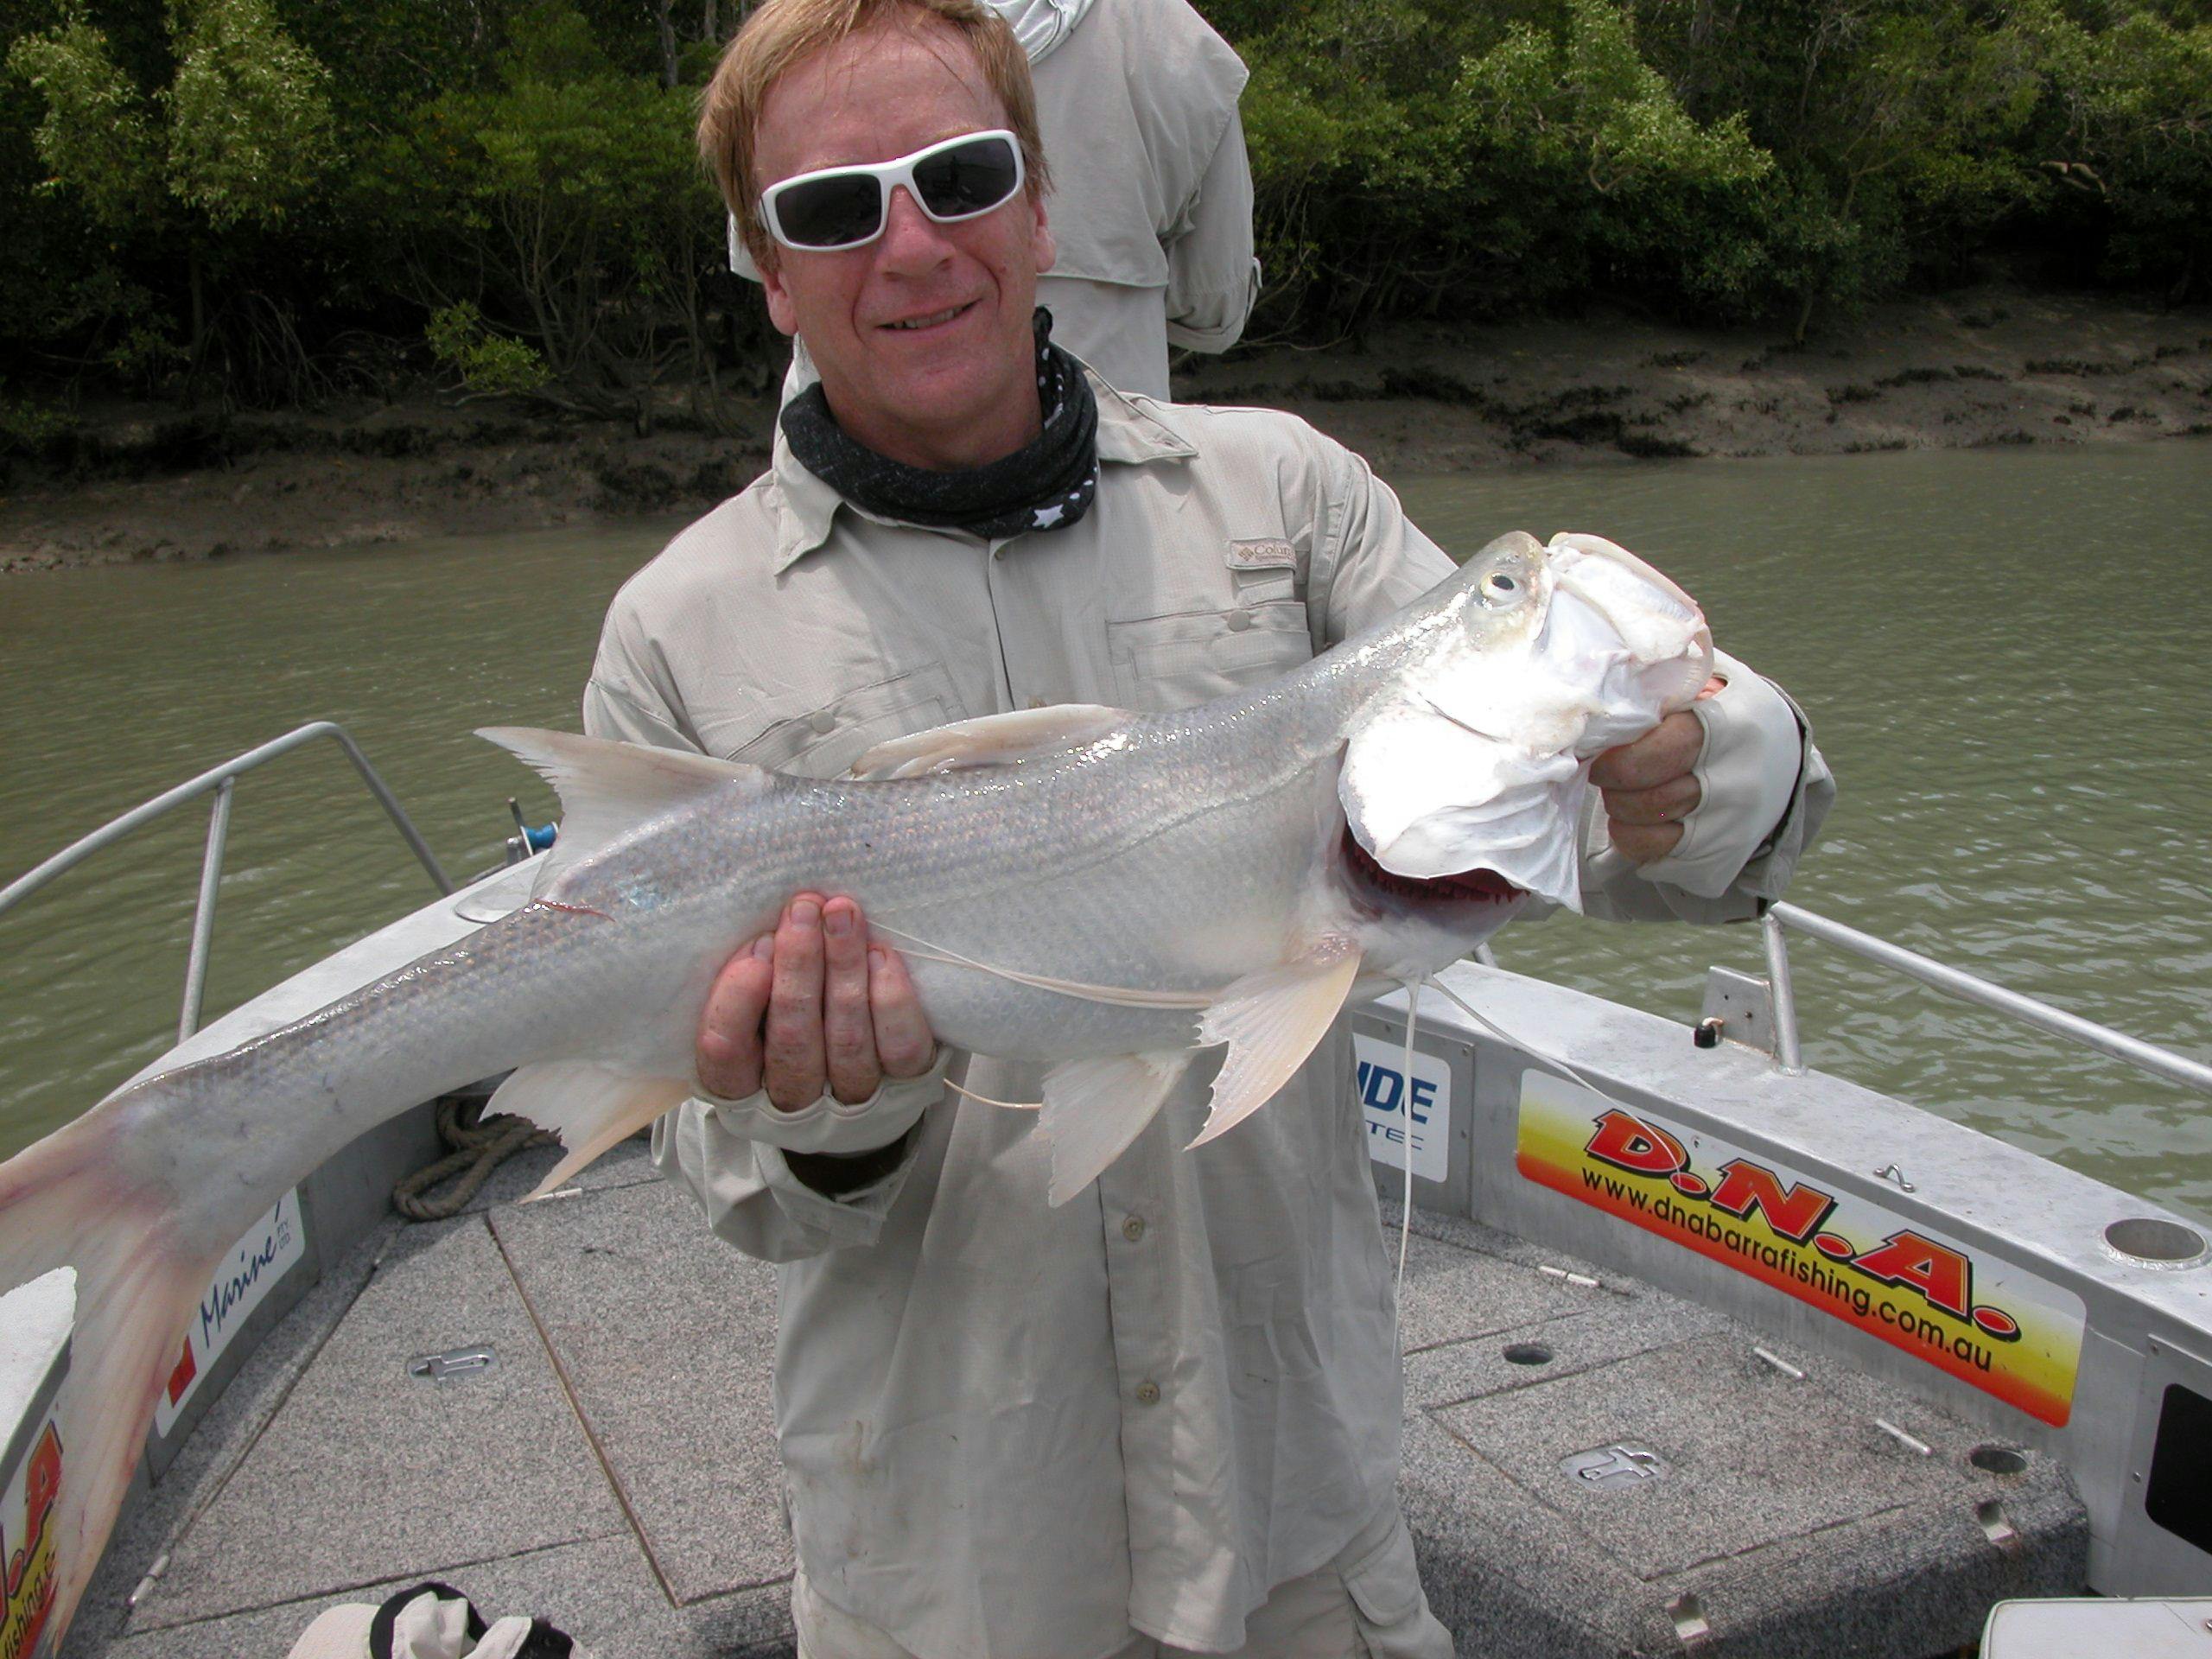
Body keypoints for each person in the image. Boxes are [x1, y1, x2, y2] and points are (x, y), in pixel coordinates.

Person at [585, 3, 1833, 1654]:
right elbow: (720, 1178)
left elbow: (1599, 834)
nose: (911, 246)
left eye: (960, 176)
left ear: (1041, 205)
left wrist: (1700, 763)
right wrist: (829, 1115)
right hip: (947, 1577)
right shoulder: (672, 636)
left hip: (1301, 1521)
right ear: (766, 268)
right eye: (832, 207)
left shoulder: (1294, 501)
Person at [728, 0, 1256, 398]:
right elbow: (1216, 309)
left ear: (1038, 214)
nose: (914, 251)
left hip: (841, 489)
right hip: (1112, 461)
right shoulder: (1172, 39)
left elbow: (768, 262)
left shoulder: (797, 37)